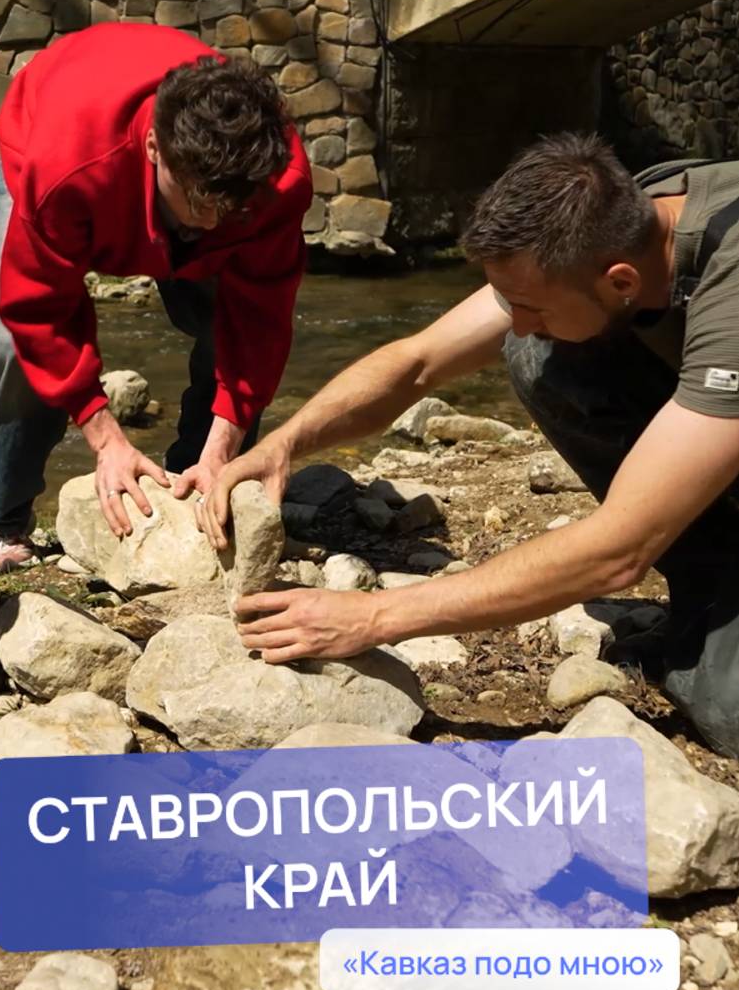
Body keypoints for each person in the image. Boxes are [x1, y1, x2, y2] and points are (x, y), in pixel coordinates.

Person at [205, 135, 739, 759]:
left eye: (531, 306)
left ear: (621, 280)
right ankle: (711, 585)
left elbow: (621, 550)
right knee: (540, 356)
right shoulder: (609, 222)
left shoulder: (724, 289)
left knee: (727, 713)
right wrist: (285, 441)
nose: (518, 320)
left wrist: (372, 617)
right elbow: (420, 363)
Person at [0, 23, 312, 573]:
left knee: (225, 321)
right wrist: (107, 440)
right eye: (198, 202)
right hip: (62, 133)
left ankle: (200, 480)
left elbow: (261, 321)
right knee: (12, 343)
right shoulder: (64, 168)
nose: (210, 222)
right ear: (155, 147)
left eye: (227, 207)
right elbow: (39, 312)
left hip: (189, 177)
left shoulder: (272, 177)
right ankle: (1, 519)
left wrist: (223, 447)